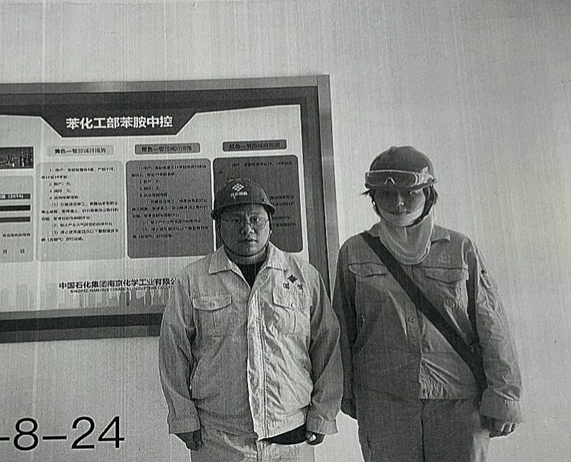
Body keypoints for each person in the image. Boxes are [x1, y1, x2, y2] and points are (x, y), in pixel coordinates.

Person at [332, 146, 523, 462]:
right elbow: (342, 329)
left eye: (409, 193)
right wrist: (345, 392)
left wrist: (505, 396)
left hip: (457, 401)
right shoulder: (354, 251)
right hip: (384, 403)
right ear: (373, 197)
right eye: (386, 194)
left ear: (428, 194)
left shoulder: (460, 248)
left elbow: (493, 325)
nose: (398, 203)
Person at [159, 178, 343, 462]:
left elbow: (327, 347)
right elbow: (174, 351)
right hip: (219, 438)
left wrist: (324, 413)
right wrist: (182, 416)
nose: (247, 229)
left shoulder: (304, 276)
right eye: (234, 220)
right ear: (219, 227)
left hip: (291, 435)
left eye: (255, 219)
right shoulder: (192, 280)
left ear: (270, 223)